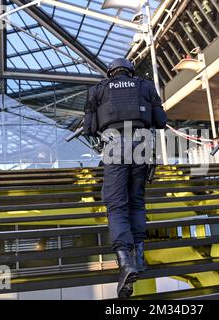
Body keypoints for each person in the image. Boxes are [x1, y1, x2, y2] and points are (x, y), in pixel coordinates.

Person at [83, 58, 167, 298]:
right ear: (130, 72)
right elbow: (161, 121)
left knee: (116, 205)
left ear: (111, 73)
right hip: (142, 147)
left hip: (114, 148)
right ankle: (139, 258)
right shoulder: (145, 86)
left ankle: (125, 261)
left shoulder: (98, 90)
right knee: (137, 202)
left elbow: (89, 128)